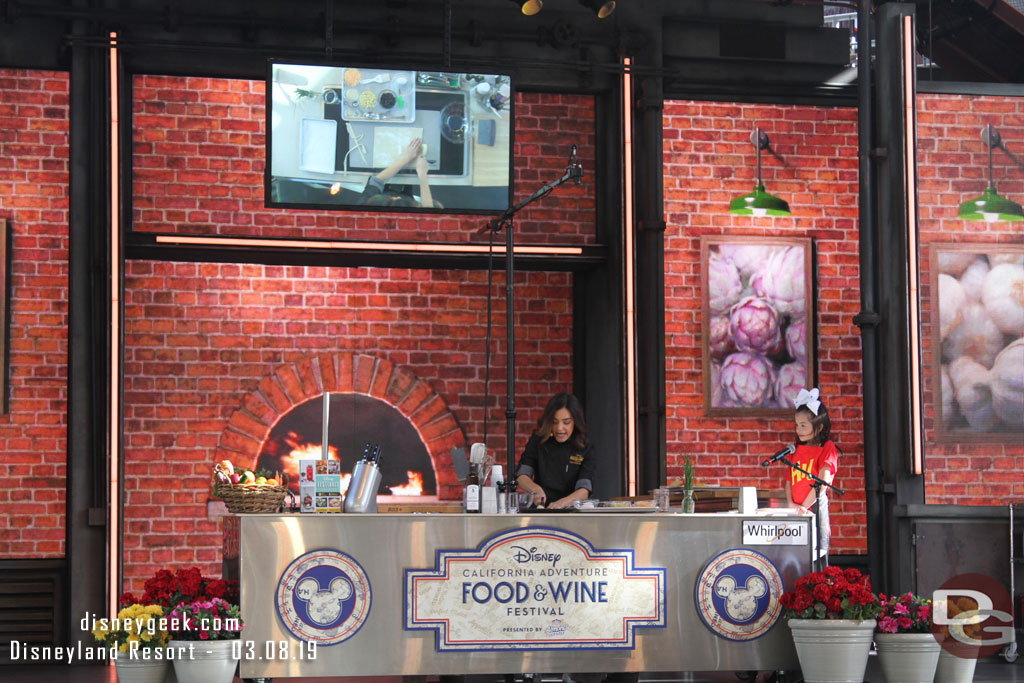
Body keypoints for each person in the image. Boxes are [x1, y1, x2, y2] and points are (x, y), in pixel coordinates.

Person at [785, 387, 840, 567]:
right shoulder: (796, 449)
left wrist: (804, 506)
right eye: (796, 425)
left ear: (819, 427)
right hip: (797, 511)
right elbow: (789, 480)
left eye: (803, 425)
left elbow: (822, 483)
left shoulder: (827, 447)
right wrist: (792, 504)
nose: (798, 429)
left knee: (817, 556)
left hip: (814, 508)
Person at [516, 392, 594, 510]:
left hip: (571, 511)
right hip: (541, 509)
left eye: (566, 422)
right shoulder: (539, 440)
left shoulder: (584, 446)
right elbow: (521, 476)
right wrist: (535, 489)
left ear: (575, 422)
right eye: (554, 422)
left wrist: (561, 504)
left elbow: (584, 490)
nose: (559, 428)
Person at [360, 137, 439, 208]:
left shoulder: (365, 208)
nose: (397, 197)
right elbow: (428, 209)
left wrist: (406, 158)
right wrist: (422, 175)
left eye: (392, 199)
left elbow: (376, 181)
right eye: (396, 199)